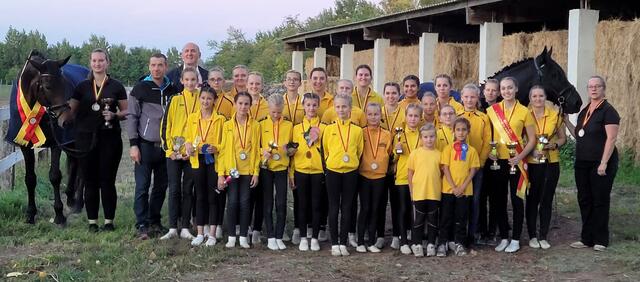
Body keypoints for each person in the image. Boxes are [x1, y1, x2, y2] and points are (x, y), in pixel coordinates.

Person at [69, 48, 128, 231]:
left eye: (101, 60)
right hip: (85, 140)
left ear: (107, 62)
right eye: (94, 60)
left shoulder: (116, 86)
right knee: (89, 181)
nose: (98, 64)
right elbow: (71, 111)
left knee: (107, 181)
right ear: (90, 63)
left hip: (109, 139)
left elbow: (126, 111)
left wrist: (115, 114)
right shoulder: (81, 87)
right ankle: (92, 222)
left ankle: (109, 221)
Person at [127, 53, 179, 240]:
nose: (156, 69)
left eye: (160, 65)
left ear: (166, 67)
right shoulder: (140, 88)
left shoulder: (173, 89)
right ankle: (141, 223)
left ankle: (154, 220)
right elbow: (132, 117)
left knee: (160, 187)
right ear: (149, 67)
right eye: (153, 65)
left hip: (165, 147)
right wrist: (134, 145)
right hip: (145, 144)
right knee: (142, 186)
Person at [564, 75, 619, 251]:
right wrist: (565, 120)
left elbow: (611, 139)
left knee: (600, 200)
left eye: (597, 86)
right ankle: (586, 238)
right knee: (584, 199)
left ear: (603, 89)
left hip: (600, 162)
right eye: (591, 87)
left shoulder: (608, 111)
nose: (594, 89)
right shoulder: (585, 111)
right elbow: (578, 135)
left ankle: (601, 239)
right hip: (582, 162)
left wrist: (604, 163)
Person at [486, 77, 536, 253]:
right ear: (500, 91)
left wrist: (520, 156)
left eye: (510, 88)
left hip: (517, 161)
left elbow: (532, 140)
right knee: (498, 200)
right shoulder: (492, 110)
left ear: (516, 89)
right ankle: (504, 237)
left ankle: (515, 238)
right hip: (498, 161)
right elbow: (489, 136)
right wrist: (490, 152)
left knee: (516, 201)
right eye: (503, 88)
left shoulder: (524, 111)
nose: (506, 91)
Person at [159, 68, 200, 241]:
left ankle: (185, 227)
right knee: (174, 189)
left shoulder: (202, 99)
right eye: (187, 80)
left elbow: (204, 127)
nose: (190, 83)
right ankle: (172, 227)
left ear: (197, 81)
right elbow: (165, 126)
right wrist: (170, 151)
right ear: (182, 81)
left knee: (188, 190)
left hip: (192, 154)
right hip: (174, 154)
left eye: (193, 79)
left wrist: (193, 148)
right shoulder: (174, 100)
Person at [217, 92, 261, 249]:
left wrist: (256, 172)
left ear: (251, 105)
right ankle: (231, 236)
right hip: (232, 171)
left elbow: (256, 151)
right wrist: (220, 174)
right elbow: (222, 151)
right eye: (240, 103)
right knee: (232, 202)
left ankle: (243, 235)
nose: (243, 107)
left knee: (245, 203)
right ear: (235, 104)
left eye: (246, 104)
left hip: (247, 171)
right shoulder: (227, 125)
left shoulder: (255, 126)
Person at [322, 93, 364, 256]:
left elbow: (359, 151)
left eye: (344, 106)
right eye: (338, 106)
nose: (341, 109)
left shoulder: (357, 130)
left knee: (347, 207)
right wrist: (333, 161)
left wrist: (350, 161)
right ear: (334, 108)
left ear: (350, 108)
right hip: (333, 171)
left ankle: (343, 241)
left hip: (351, 172)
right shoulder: (329, 129)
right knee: (333, 207)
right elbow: (325, 150)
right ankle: (334, 243)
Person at [526, 85, 566, 250]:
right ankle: (532, 235)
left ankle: (543, 235)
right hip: (532, 162)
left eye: (541, 96)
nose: (538, 99)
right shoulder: (525, 115)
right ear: (530, 99)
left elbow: (563, 138)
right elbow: (521, 138)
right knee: (532, 199)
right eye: (534, 96)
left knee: (546, 199)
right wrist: (531, 151)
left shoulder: (556, 116)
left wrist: (554, 144)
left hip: (551, 162)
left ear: (545, 98)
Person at [185, 87, 225, 246]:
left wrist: (217, 148)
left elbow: (224, 143)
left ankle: (213, 235)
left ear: (214, 101)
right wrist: (188, 145)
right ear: (199, 99)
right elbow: (188, 138)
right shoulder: (192, 118)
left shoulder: (220, 120)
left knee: (213, 197)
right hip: (197, 160)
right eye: (203, 98)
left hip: (214, 162)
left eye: (209, 98)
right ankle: (201, 233)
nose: (205, 101)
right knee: (200, 196)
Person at [438, 117, 480, 257]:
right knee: (446, 217)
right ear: (453, 131)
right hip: (448, 190)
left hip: (465, 190)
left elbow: (473, 170)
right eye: (458, 130)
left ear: (468, 131)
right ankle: (443, 243)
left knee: (461, 218)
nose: (461, 133)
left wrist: (462, 187)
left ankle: (459, 243)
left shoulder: (472, 151)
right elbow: (445, 168)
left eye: (463, 130)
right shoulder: (447, 149)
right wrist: (454, 186)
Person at [291, 93, 326, 251]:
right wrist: (291, 174)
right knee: (302, 204)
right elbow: (292, 153)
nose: (311, 108)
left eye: (314, 105)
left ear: (318, 106)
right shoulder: (297, 128)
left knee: (317, 205)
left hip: (318, 171)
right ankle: (303, 237)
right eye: (308, 105)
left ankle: (315, 238)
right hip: (301, 170)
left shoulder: (324, 128)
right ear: (303, 106)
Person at [356, 102, 392, 253]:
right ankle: (359, 242)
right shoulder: (360, 132)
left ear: (381, 115)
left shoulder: (387, 134)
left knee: (376, 208)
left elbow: (389, 153)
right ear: (366, 115)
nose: (373, 117)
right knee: (365, 208)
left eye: (376, 114)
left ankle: (371, 241)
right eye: (369, 114)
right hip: (364, 175)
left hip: (380, 177)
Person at [458, 84, 491, 245]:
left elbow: (486, 142)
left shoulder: (483, 117)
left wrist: (480, 162)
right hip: (458, 167)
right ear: (461, 97)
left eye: (473, 97)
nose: (469, 100)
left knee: (476, 200)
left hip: (476, 166)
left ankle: (473, 233)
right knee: (460, 199)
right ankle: (458, 233)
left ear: (478, 98)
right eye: (466, 97)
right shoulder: (456, 115)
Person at [260, 94, 294, 250]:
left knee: (281, 203)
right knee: (267, 203)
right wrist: (263, 152)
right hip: (266, 168)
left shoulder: (289, 125)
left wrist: (291, 151)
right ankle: (271, 236)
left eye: (279, 112)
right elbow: (256, 146)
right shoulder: (260, 124)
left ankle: (280, 235)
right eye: (273, 112)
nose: (276, 115)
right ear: (268, 109)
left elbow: (292, 147)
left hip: (281, 168)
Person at [377, 82, 406, 249]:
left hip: (397, 164)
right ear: (383, 94)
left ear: (399, 94)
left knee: (397, 203)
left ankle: (397, 234)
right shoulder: (377, 113)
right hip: (379, 164)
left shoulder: (403, 114)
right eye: (387, 93)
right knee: (380, 202)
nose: (390, 96)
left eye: (394, 93)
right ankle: (380, 235)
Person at [392, 104, 423, 255]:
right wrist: (397, 150)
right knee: (403, 209)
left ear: (420, 118)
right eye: (410, 115)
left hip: (419, 178)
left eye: (416, 116)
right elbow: (393, 157)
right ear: (405, 117)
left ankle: (415, 240)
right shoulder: (399, 135)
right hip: (403, 178)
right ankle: (403, 240)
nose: (412, 119)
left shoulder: (423, 135)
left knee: (415, 210)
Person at [407, 124, 441, 257]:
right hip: (419, 193)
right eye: (426, 137)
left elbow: (442, 174)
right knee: (418, 220)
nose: (429, 140)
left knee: (433, 220)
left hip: (434, 193)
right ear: (421, 138)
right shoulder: (415, 154)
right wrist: (411, 191)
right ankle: (418, 244)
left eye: (432, 136)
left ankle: (431, 244)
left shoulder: (439, 154)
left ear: (435, 137)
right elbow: (410, 173)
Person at [246, 72, 268, 242]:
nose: (254, 87)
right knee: (247, 194)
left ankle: (257, 229)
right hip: (244, 157)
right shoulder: (240, 104)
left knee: (260, 194)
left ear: (262, 86)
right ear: (247, 85)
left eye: (257, 84)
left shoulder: (267, 106)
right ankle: (245, 225)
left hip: (262, 156)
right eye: (251, 83)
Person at [478, 78, 501, 244]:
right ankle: (480, 230)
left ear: (498, 93)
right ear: (483, 91)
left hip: (496, 157)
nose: (491, 93)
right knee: (480, 196)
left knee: (495, 197)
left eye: (494, 90)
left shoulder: (502, 110)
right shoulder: (479, 108)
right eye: (488, 90)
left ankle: (492, 232)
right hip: (480, 157)